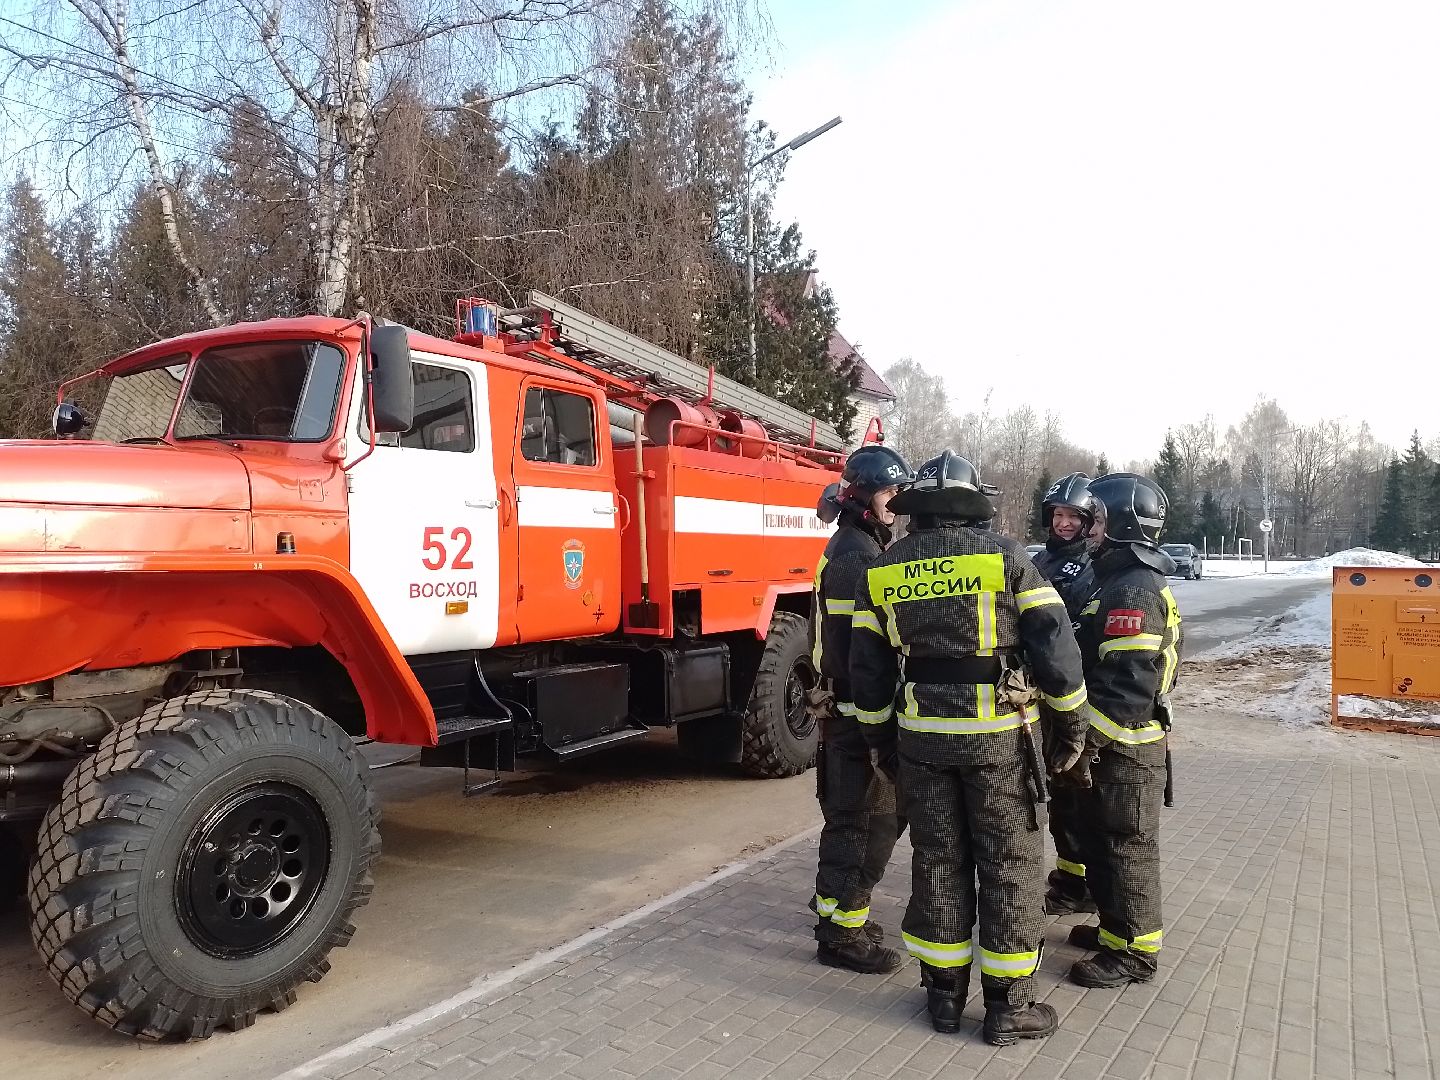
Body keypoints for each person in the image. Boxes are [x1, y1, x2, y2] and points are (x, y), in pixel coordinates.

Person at [849, 450, 1090, 1044]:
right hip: (999, 742)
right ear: (970, 503)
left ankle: (943, 998)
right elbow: (1055, 647)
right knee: (1009, 865)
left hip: (921, 741)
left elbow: (868, 673)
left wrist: (880, 741)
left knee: (937, 862)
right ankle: (1009, 1006)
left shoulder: (882, 568)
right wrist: (1071, 725)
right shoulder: (1006, 558)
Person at [1057, 472, 1182, 989]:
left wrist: (1085, 742)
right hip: (1113, 745)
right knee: (1102, 844)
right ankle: (1114, 931)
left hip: (1126, 747)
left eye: (1098, 519)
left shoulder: (1133, 587)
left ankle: (1134, 952)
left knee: (1127, 847)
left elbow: (1127, 687)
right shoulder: (1116, 579)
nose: (1088, 528)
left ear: (1122, 525)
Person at [809, 443, 913, 974]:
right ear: (864, 496)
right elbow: (861, 650)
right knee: (865, 823)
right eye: (890, 492)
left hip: (850, 707)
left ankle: (841, 912)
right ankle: (841, 934)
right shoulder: (857, 556)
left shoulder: (858, 544)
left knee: (866, 819)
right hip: (855, 711)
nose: (896, 502)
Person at [1029, 474, 1103, 916]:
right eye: (1058, 514)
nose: (1064, 523)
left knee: (1076, 793)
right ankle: (1070, 878)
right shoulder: (1040, 560)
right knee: (1059, 793)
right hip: (1042, 691)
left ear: (1089, 520)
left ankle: (1083, 884)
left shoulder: (1093, 566)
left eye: (1073, 516)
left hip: (1073, 692)